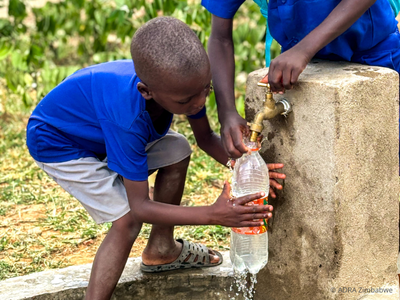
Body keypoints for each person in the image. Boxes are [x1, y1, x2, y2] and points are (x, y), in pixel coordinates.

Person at [26, 17, 285, 300]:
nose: (198, 104)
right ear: (146, 91)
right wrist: (212, 214)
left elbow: (205, 139)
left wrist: (247, 168)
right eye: (186, 103)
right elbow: (140, 208)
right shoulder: (128, 117)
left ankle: (161, 250)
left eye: (205, 90)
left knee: (177, 149)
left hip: (99, 133)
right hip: (59, 142)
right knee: (126, 220)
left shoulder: (185, 86)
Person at [202, 0, 400, 158]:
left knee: (387, 149)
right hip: (298, 64)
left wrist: (305, 49)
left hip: (372, 53)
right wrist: (227, 112)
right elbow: (220, 37)